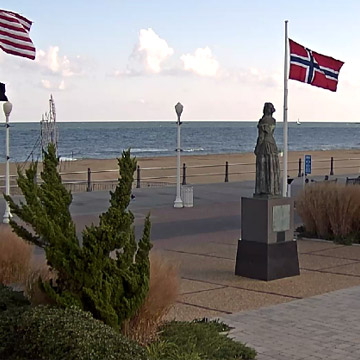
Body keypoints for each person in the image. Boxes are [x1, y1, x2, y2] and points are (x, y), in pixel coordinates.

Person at [254, 102, 281, 197]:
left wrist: (257, 147)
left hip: (265, 145)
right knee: (272, 167)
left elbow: (261, 136)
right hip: (272, 144)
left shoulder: (263, 121)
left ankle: (264, 189)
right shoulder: (273, 121)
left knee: (264, 167)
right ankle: (273, 189)